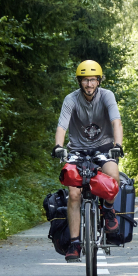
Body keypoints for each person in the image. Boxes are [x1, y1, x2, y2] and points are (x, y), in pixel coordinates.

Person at [52, 60, 124, 262]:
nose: (89, 84)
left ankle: (108, 210)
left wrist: (117, 145)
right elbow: (62, 126)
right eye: (85, 80)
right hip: (77, 150)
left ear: (99, 81)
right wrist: (58, 146)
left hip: (103, 148)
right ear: (79, 81)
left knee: (113, 174)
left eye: (93, 80)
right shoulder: (71, 99)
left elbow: (116, 121)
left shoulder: (107, 96)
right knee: (74, 194)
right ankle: (75, 242)